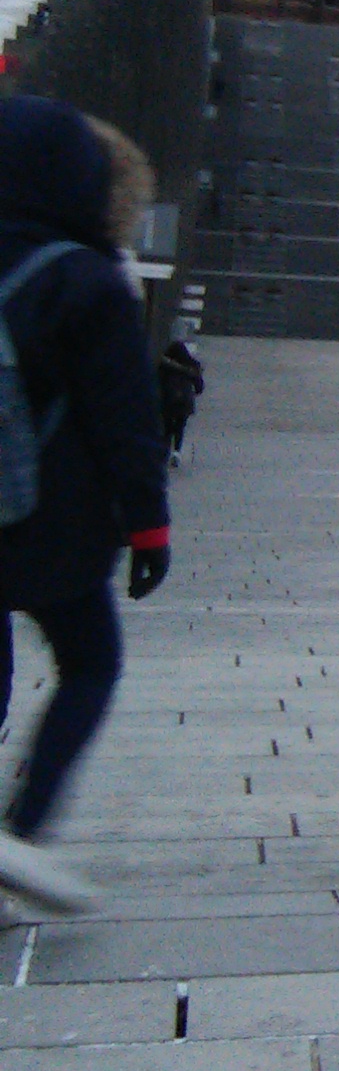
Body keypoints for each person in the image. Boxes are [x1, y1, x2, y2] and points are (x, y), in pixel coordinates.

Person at [0, 96, 174, 914]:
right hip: (51, 525)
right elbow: (126, 418)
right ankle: (24, 828)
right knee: (91, 662)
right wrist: (148, 525)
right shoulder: (84, 279)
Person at [156, 338, 203, 466]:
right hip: (184, 400)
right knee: (180, 426)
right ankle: (176, 451)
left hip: (168, 399)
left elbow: (156, 382)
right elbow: (199, 386)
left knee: (167, 427)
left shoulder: (165, 365)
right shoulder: (192, 365)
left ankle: (164, 452)